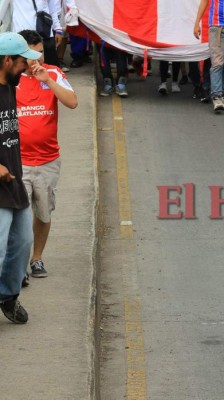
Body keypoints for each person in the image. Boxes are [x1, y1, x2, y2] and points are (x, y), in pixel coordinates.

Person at [16, 29, 78, 283]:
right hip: (17, 162)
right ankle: (17, 267)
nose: (37, 59)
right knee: (17, 217)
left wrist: (48, 81)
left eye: (41, 53)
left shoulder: (53, 73)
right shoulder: (10, 77)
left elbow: (72, 102)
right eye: (33, 55)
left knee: (43, 213)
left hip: (48, 161)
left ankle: (36, 258)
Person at [0, 32, 41, 323]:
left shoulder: (11, 86)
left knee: (23, 242)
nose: (26, 67)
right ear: (6, 60)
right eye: (22, 62)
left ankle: (8, 296)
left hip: (14, 181)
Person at [11, 0, 63, 66]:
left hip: (45, 33)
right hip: (22, 34)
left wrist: (57, 28)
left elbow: (52, 9)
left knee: (49, 67)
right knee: (24, 69)